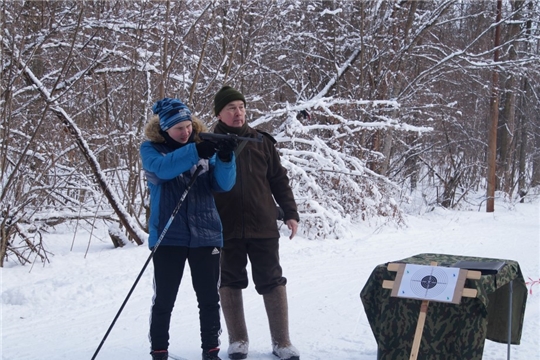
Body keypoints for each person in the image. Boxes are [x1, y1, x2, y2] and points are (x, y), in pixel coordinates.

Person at [140, 97, 238, 360]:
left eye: (188, 126)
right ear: (165, 130)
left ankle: (211, 351)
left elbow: (223, 184)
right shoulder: (151, 150)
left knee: (208, 299)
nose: (185, 133)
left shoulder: (203, 148)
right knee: (164, 300)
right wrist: (196, 151)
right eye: (178, 128)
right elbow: (162, 170)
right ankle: (159, 350)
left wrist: (226, 158)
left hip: (206, 234)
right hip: (168, 235)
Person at [211, 86, 300, 360]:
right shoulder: (208, 143)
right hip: (225, 226)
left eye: (241, 107)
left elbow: (278, 179)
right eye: (231, 108)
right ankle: (237, 340)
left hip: (262, 224)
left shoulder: (263, 142)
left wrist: (290, 212)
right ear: (219, 114)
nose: (238, 113)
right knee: (229, 280)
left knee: (272, 279)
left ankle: (282, 342)